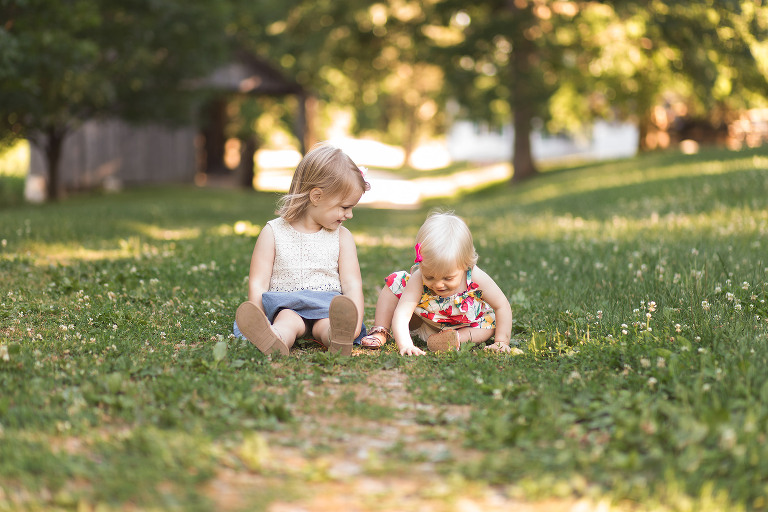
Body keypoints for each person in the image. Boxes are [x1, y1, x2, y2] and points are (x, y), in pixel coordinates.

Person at [234, 142, 370, 356]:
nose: (349, 215)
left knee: (327, 325)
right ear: (316, 196)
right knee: (286, 323)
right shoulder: (273, 232)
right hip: (285, 306)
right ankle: (274, 339)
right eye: (345, 207)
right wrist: (259, 315)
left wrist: (355, 322)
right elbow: (258, 281)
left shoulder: (342, 237)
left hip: (326, 306)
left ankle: (338, 338)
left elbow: (352, 283)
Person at [360, 211, 513, 356]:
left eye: (448, 278)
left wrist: (501, 341)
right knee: (396, 281)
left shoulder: (475, 276)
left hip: (462, 326)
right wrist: (405, 344)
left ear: (465, 265)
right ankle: (380, 331)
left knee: (488, 326)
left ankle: (453, 339)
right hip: (424, 321)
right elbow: (402, 313)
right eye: (430, 277)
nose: (438, 285)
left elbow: (501, 305)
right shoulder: (418, 277)